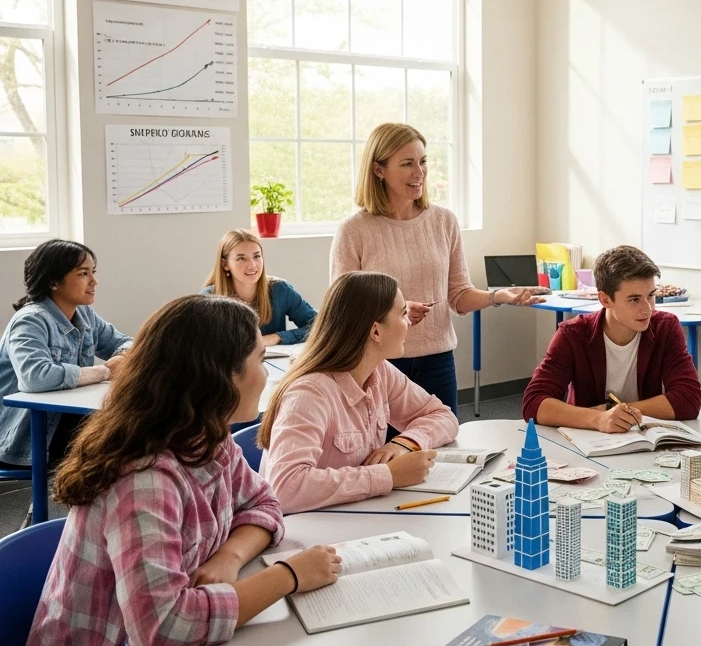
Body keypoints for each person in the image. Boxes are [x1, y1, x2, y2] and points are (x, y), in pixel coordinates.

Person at [20, 295, 374, 646]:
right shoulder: (143, 478)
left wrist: (229, 557)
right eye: (259, 360)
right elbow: (163, 630)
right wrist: (288, 576)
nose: (266, 375)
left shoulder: (207, 435)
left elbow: (263, 502)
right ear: (221, 376)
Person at [330, 123, 540, 416]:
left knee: (444, 448)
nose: (420, 172)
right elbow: (344, 310)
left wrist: (499, 296)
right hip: (380, 363)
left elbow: (458, 295)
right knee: (387, 454)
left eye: (423, 161)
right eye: (407, 164)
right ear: (379, 170)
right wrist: (397, 313)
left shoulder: (444, 221)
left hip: (438, 360)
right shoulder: (354, 230)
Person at [258, 271, 459, 513]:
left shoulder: (380, 371)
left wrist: (405, 444)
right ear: (376, 331)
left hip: (357, 515)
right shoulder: (309, 393)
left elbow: (443, 416)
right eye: (403, 314)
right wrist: (387, 476)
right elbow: (285, 488)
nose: (408, 324)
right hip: (310, 531)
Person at [521, 245, 701, 432]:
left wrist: (613, 411)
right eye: (634, 299)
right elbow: (534, 403)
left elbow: (689, 399)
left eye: (651, 295)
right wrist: (597, 419)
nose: (648, 309)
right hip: (587, 440)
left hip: (643, 438)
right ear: (605, 300)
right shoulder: (572, 335)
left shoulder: (666, 327)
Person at [0, 239, 131, 469]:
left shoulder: (85, 314)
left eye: (93, 272)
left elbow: (127, 342)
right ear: (53, 282)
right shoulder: (30, 320)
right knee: (123, 433)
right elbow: (35, 377)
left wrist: (121, 356)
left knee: (136, 423)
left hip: (60, 422)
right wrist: (104, 371)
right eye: (83, 273)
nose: (94, 281)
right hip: (25, 437)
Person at [203, 228, 316, 345]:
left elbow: (318, 326)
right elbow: (200, 342)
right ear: (225, 264)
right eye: (241, 259)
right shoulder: (209, 298)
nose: (252, 265)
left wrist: (275, 338)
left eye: (256, 256)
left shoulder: (280, 289)